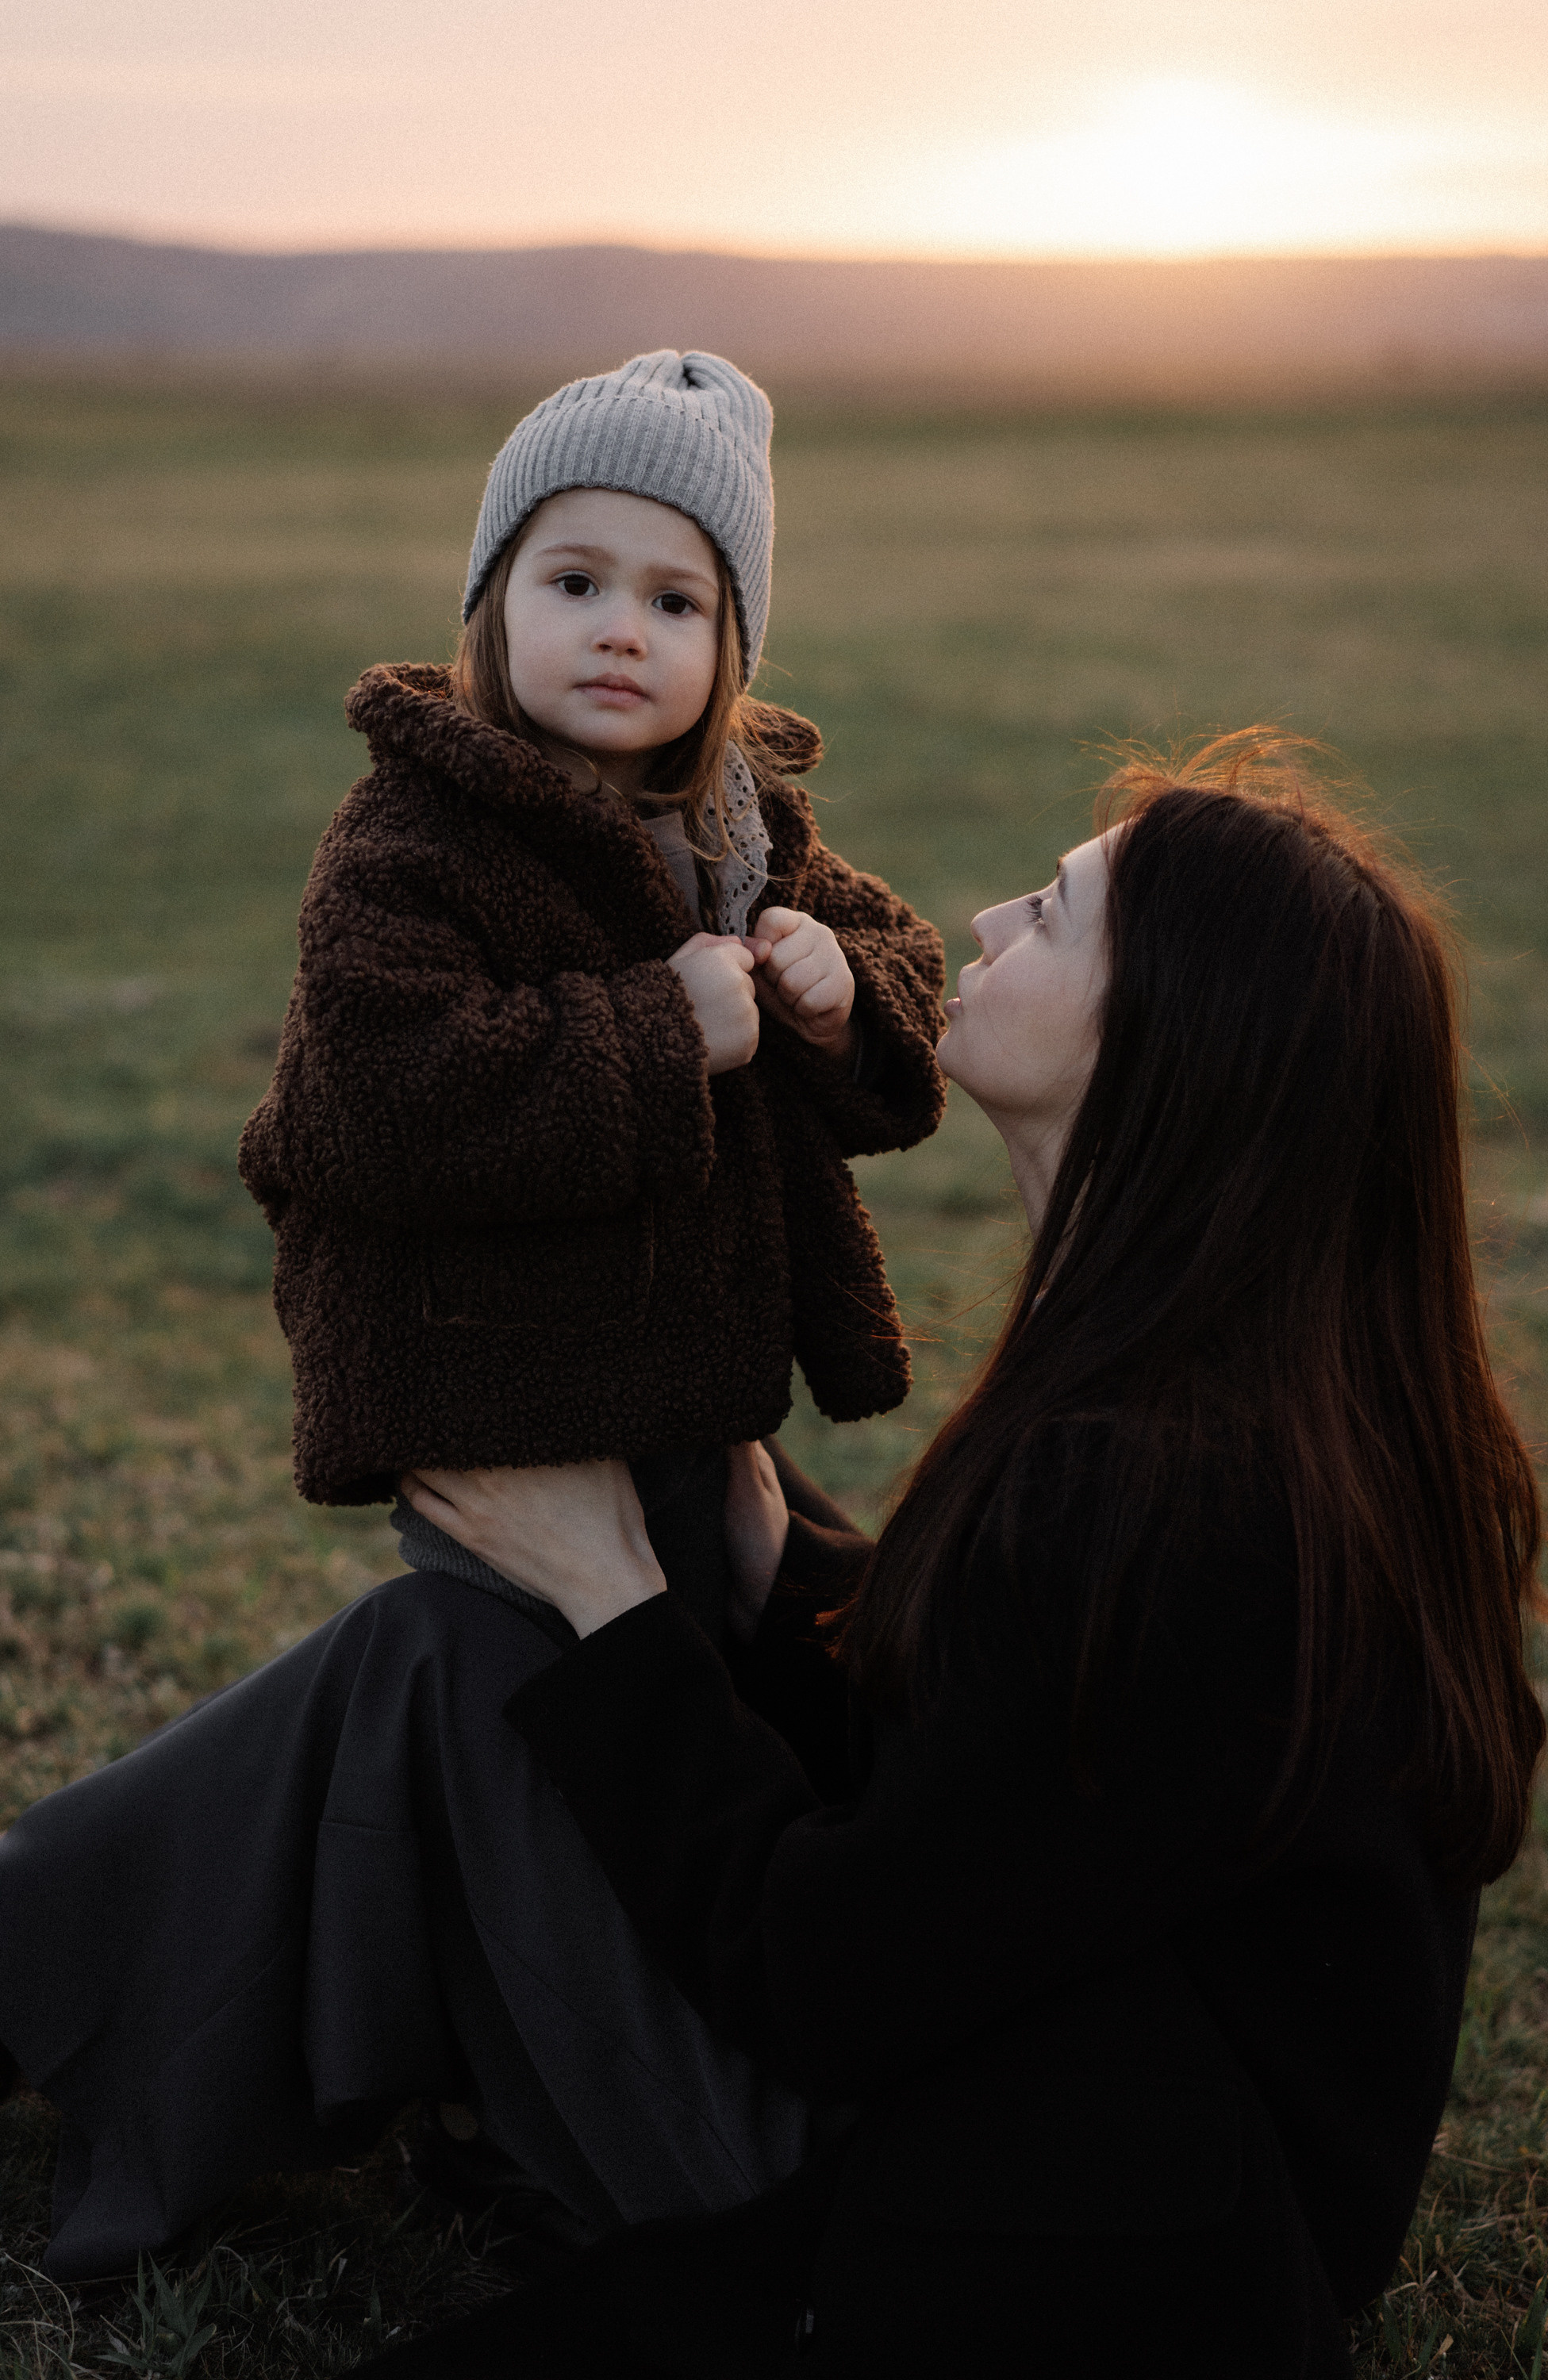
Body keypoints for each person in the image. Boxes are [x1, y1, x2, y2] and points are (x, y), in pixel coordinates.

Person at [348, 735, 1548, 2378]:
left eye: (1051, 914)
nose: (984, 920)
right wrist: (787, 1568)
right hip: (1116, 2134)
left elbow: (831, 1977)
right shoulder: (1257, 1411)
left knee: (462, 1654)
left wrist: (611, 1599)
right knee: (444, 1648)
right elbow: (1045, 1792)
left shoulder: (1170, 1502)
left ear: (1167, 1040)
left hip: (1057, 2223)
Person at [0, 351, 944, 2282]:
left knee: (599, 1702)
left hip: (685, 1398)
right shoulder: (415, 833)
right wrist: (654, 1032)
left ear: (733, 650)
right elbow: (375, 1094)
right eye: (573, 581)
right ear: (491, 602)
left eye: (677, 601)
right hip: (499, 1395)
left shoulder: (743, 829)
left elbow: (900, 954)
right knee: (511, 1691)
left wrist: (838, 989)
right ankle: (497, 2043)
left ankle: (454, 2024)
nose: (621, 631)